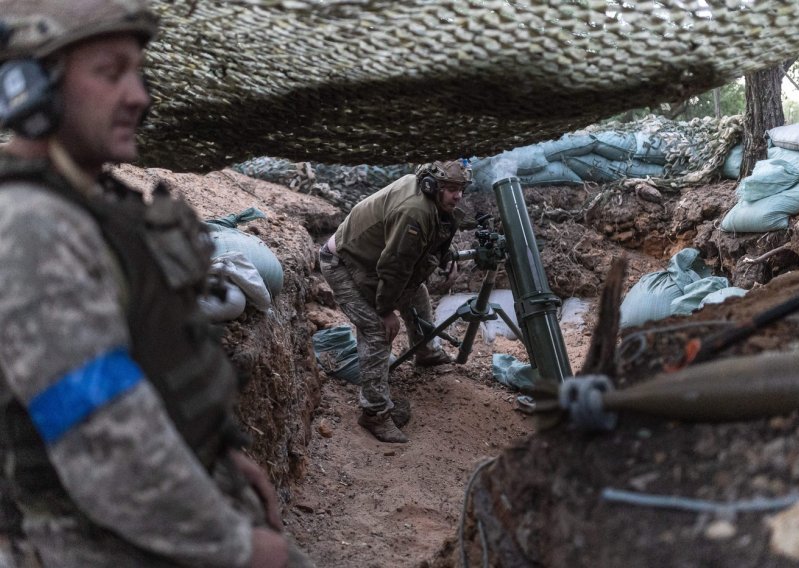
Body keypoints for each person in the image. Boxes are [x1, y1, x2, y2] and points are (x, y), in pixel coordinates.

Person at [0, 1, 310, 566]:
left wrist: (217, 462)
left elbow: (143, 364)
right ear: (29, 88)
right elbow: (103, 436)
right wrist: (237, 546)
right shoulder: (33, 231)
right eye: (109, 72)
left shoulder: (92, 206)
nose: (138, 96)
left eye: (137, 72)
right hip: (84, 540)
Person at [319, 160, 469, 443]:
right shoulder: (414, 211)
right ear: (431, 185)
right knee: (378, 330)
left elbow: (430, 237)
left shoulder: (428, 201)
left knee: (418, 293)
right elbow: (393, 269)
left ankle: (426, 353)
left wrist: (446, 255)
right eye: (450, 189)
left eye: (461, 189)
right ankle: (374, 413)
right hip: (343, 263)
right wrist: (386, 310)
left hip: (368, 261)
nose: (457, 196)